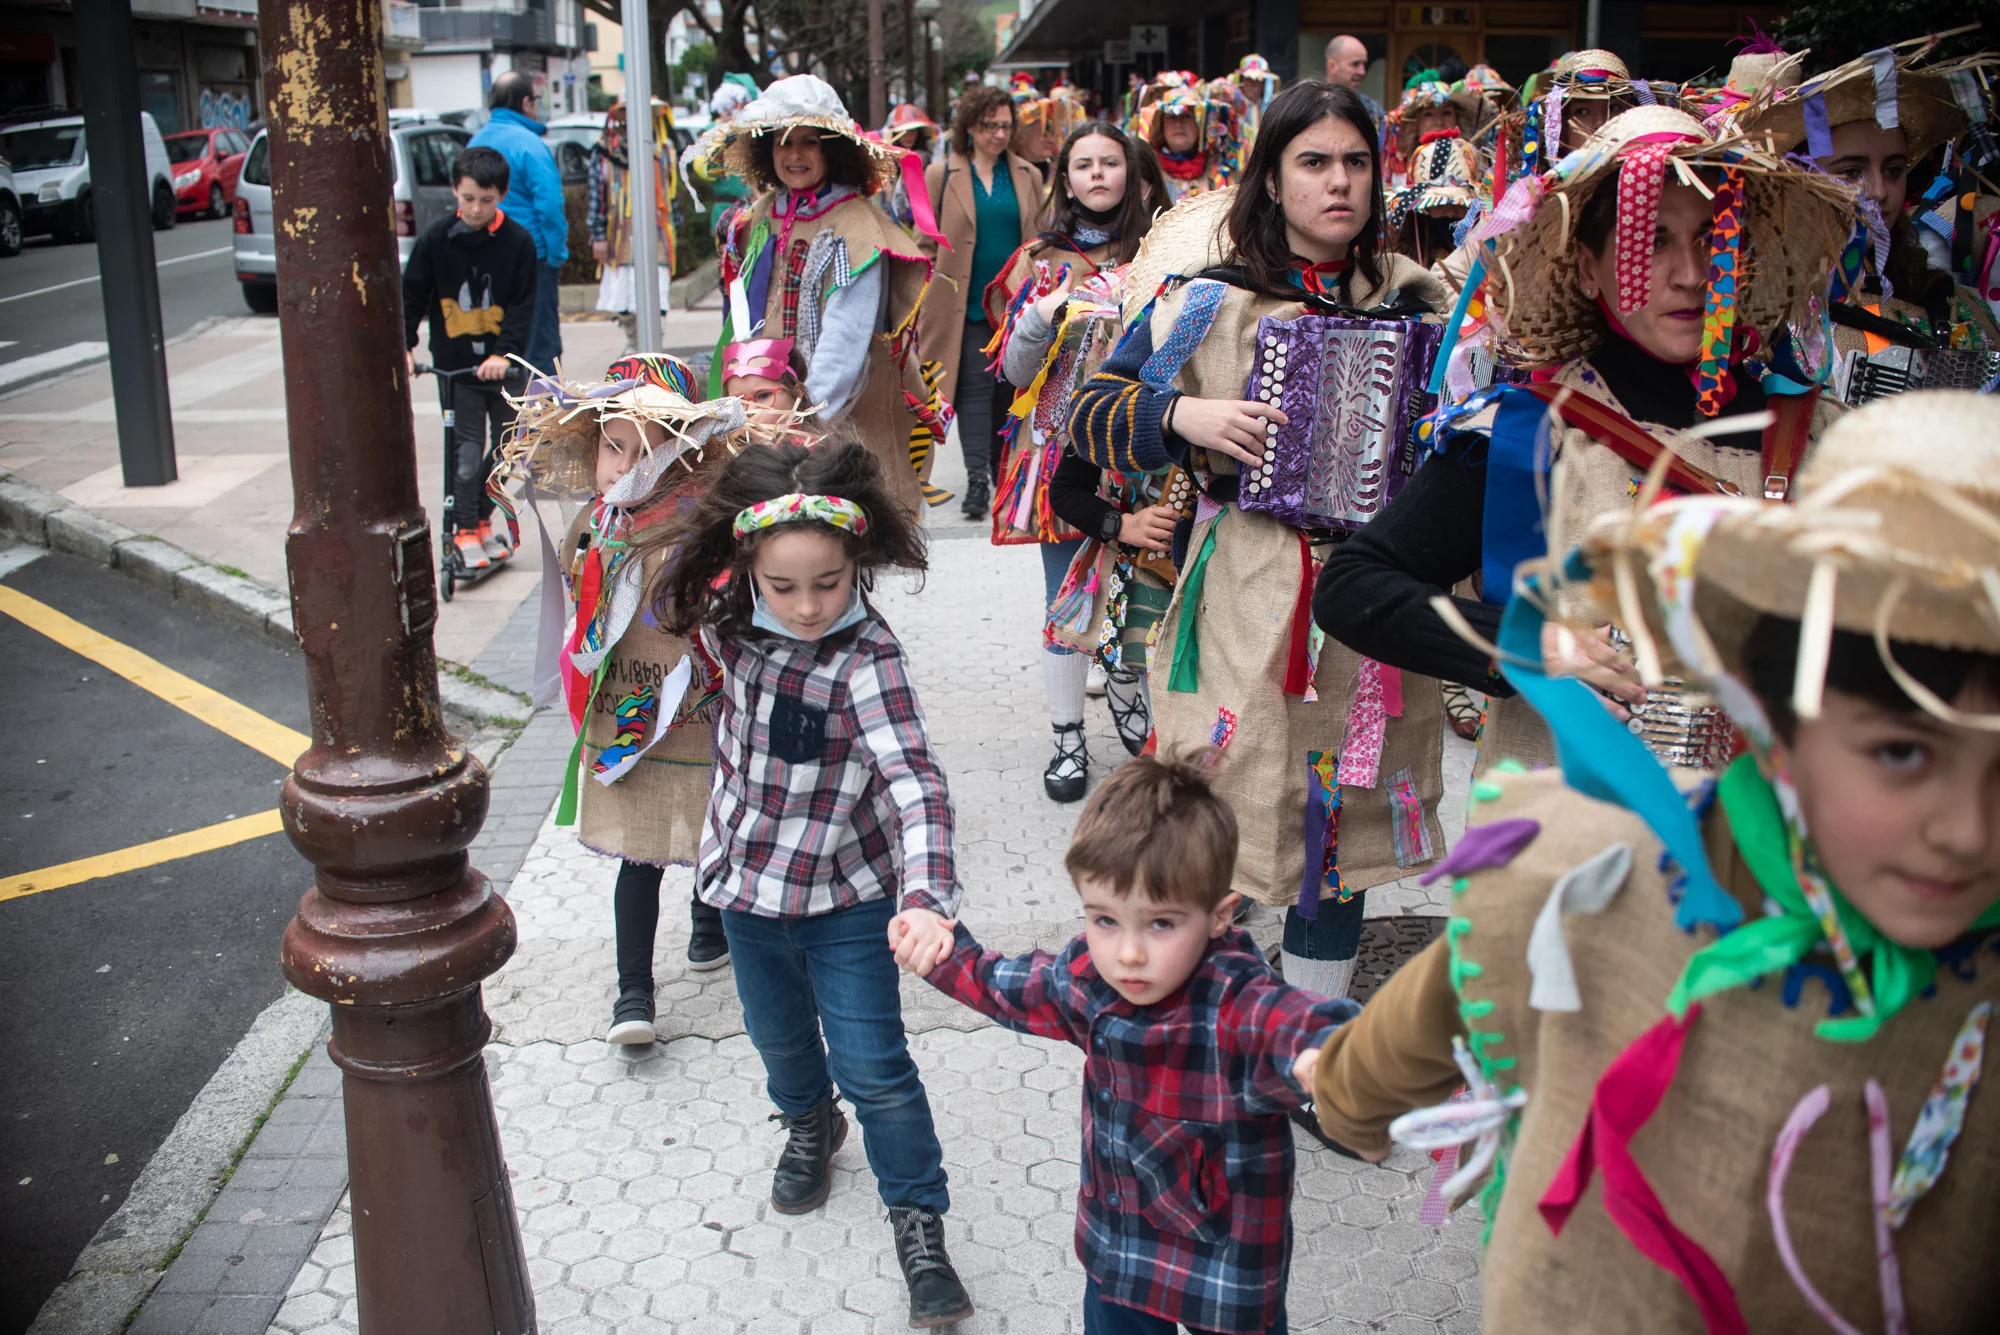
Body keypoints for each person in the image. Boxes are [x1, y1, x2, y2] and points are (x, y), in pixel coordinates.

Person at [1308, 390, 2000, 1333]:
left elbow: (1366, 1078)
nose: (1965, 829)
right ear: (1778, 715)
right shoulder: (1579, 873)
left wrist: (1339, 1090)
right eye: (1903, 753)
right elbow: (1401, 1043)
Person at [1314, 108, 1854, 774]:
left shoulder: (1818, 436)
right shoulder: (1532, 435)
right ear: (1589, 268)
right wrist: (1525, 644)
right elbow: (1352, 588)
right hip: (1563, 826)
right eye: (1652, 241)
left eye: (1711, 236)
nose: (1691, 273)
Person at [1067, 80, 1453, 1008]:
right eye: (1313, 162)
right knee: (1219, 811)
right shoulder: (1209, 302)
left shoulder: (1418, 300)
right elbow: (1089, 418)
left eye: (1356, 162)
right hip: (1245, 592)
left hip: (1371, 609)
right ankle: (1207, 1021)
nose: (1340, 182)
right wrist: (1180, 415)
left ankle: (1312, 1035)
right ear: (1272, 181)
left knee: (1336, 830)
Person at [641, 439, 974, 1328]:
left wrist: (925, 897)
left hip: (847, 900)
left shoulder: (868, 659)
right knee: (781, 1043)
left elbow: (915, 783)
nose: (807, 605)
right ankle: (808, 1123)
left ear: (857, 560)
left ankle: (918, 1217)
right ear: (746, 569)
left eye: (827, 582)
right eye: (782, 585)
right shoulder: (728, 625)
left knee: (876, 1069)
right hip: (747, 895)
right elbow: (654, 592)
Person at [894, 750, 1361, 1335]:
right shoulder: (1091, 977)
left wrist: (1338, 1059)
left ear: (1220, 916)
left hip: (1223, 1278)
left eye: (1161, 923)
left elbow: (1299, 1023)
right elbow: (1006, 985)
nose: (1129, 954)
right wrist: (937, 947)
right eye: (1105, 920)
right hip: (1120, 1257)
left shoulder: (1237, 1004)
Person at [494, 355, 747, 1044]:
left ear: (683, 454)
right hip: (624, 721)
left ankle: (708, 922)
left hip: (697, 710)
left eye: (649, 449)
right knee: (639, 854)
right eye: (615, 446)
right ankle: (634, 991)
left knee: (710, 827)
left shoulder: (706, 524)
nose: (626, 464)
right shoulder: (593, 523)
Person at [984, 120, 1169, 797]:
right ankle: (1067, 736)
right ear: (1064, 179)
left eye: (1109, 162)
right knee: (1065, 596)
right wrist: (1041, 317)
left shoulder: (1167, 250)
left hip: (1144, 449)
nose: (1096, 174)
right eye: (1083, 164)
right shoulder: (1038, 261)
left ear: (1134, 173)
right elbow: (1013, 369)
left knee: (1142, 585)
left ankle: (1131, 702)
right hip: (1060, 455)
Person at [690, 74, 955, 516]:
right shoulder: (761, 214)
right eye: (783, 142)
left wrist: (804, 423)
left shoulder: (856, 225)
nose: (794, 154)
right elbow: (743, 320)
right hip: (766, 416)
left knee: (847, 525)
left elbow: (845, 342)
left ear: (833, 149)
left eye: (809, 142)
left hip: (841, 411)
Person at [1725, 44, 1999, 357]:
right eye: (1851, 172)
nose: (1879, 191)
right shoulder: (1740, 315)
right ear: (1793, 181)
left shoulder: (1955, 308)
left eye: (1893, 170)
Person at [401, 145, 537, 573]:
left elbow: (522, 307)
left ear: (502, 195)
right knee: (465, 452)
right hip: (457, 369)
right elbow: (411, 297)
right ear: (454, 191)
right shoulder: (435, 241)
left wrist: (503, 353)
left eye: (487, 200)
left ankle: (480, 519)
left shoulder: (518, 243)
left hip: (504, 368)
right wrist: (405, 345)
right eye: (468, 198)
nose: (476, 209)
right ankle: (463, 529)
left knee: (508, 450)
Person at [918, 84, 1045, 520]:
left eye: (1006, 126)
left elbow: (1038, 239)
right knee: (973, 389)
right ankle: (977, 479)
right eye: (990, 126)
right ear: (970, 127)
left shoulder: (1028, 175)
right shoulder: (941, 175)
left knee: (1007, 392)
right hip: (962, 305)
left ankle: (998, 470)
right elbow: (925, 241)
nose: (999, 134)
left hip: (1015, 305)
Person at [469, 71, 568, 374]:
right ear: (526, 102)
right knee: (540, 344)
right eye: (536, 100)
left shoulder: (475, 143)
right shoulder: (530, 145)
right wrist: (556, 254)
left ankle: (501, 399)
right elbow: (549, 205)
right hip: (532, 257)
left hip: (482, 255)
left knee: (495, 338)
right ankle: (543, 403)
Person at [586, 97, 676, 353]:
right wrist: (598, 234)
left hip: (657, 231)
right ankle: (633, 341)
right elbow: (596, 194)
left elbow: (671, 193)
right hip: (620, 232)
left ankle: (653, 343)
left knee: (655, 291)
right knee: (622, 294)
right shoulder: (605, 150)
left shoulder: (663, 149)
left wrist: (674, 228)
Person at [1323, 35, 1383, 133]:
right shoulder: (1309, 107)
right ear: (1332, 66)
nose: (1362, 72)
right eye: (1355, 64)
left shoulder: (1373, 111)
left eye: (1364, 64)